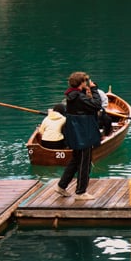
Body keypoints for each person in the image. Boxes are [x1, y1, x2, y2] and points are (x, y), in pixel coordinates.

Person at [55, 72, 106, 200]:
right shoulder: (79, 97)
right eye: (85, 82)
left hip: (76, 133)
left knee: (76, 160)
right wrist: (94, 90)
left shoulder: (72, 96)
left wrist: (87, 93)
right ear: (81, 83)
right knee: (85, 163)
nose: (87, 84)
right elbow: (97, 105)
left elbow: (88, 107)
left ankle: (61, 186)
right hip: (84, 134)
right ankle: (80, 192)